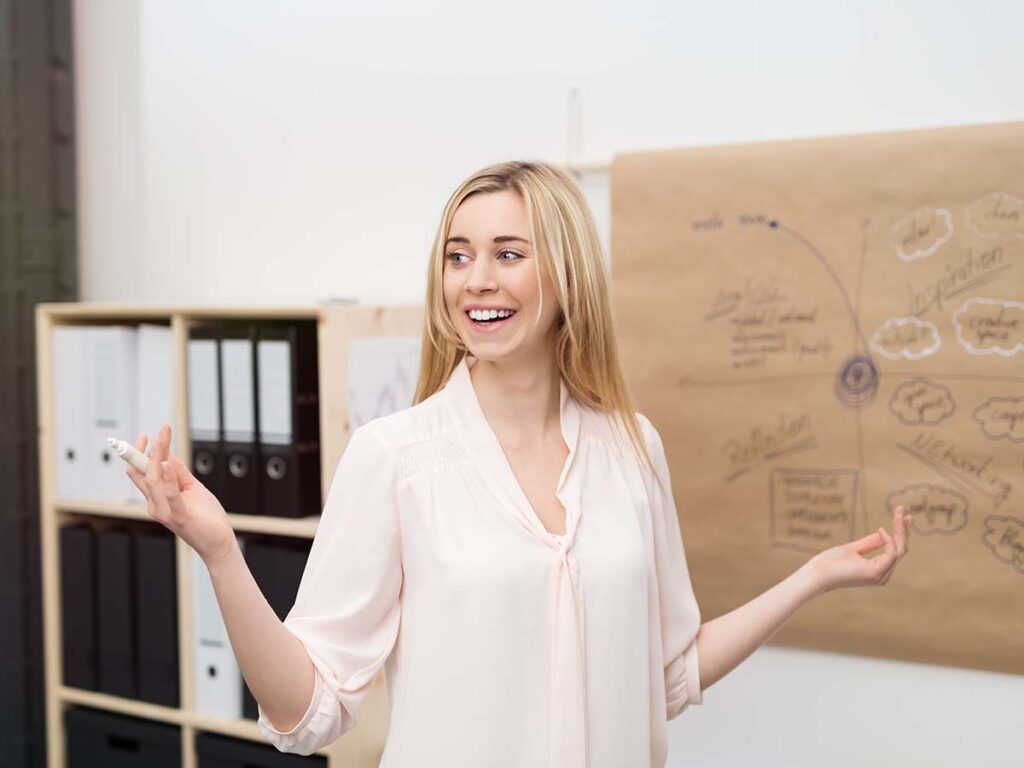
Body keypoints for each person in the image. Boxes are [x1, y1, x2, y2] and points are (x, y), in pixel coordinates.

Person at [126, 160, 912, 767]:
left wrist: (813, 577)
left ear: (566, 277)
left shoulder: (633, 448)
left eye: (508, 253)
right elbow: (308, 711)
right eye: (458, 256)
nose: (477, 280)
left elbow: (668, 677)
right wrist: (221, 552)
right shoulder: (394, 459)